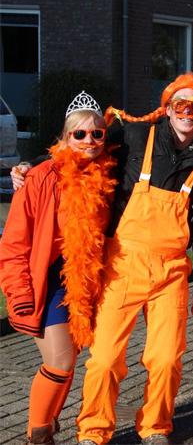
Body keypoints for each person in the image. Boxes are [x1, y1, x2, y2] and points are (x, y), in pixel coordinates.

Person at [71, 73, 193, 445]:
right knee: (104, 357)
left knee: (167, 358)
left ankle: (156, 426)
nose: (187, 113)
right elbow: (83, 151)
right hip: (123, 263)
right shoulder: (135, 137)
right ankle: (93, 430)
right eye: (180, 105)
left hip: (171, 271)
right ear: (167, 108)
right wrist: (35, 166)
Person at [0, 92, 116, 445]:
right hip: (45, 279)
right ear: (65, 137)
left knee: (69, 359)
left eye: (96, 133)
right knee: (60, 362)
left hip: (83, 279)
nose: (89, 140)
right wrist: (19, 293)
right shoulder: (39, 177)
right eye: (79, 134)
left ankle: (47, 424)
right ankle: (38, 433)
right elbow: (14, 244)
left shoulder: (108, 174)